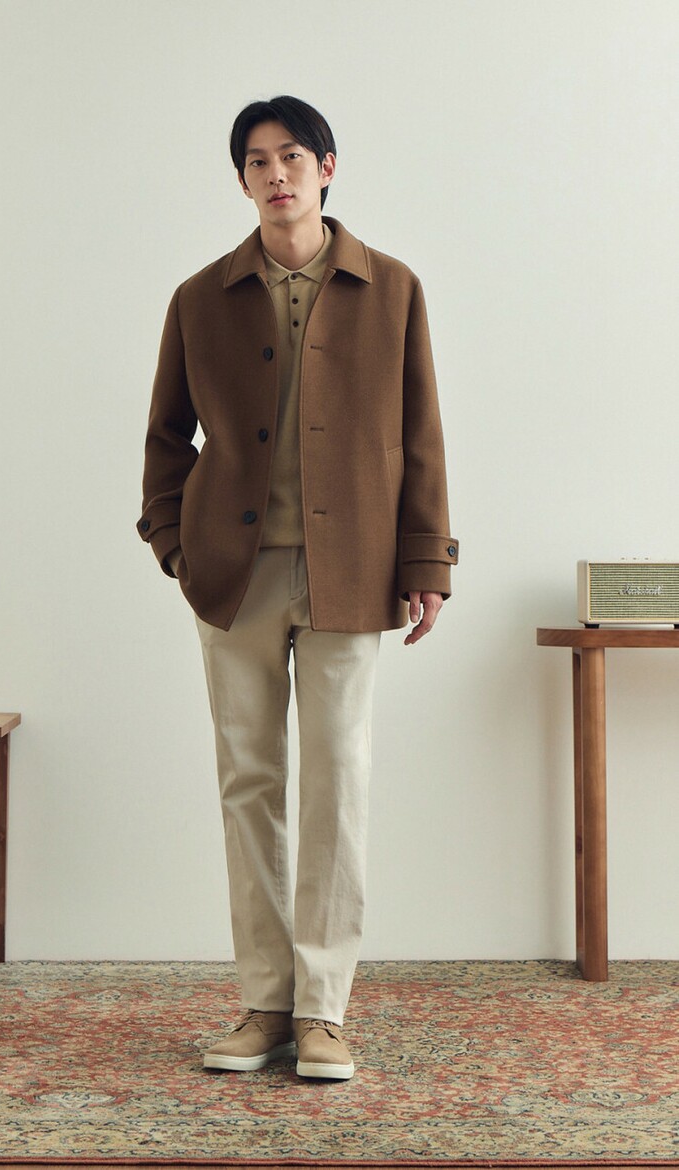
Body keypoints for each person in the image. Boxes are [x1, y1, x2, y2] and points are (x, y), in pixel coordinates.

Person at [137, 95, 458, 1081]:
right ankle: (265, 1003)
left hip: (350, 569)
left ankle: (324, 1010)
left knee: (337, 779)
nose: (275, 174)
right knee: (249, 783)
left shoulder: (392, 288)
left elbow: (420, 435)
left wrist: (427, 562)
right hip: (232, 576)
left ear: (327, 167)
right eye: (256, 161)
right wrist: (173, 545)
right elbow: (165, 436)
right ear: (242, 179)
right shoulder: (201, 297)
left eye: (291, 157)